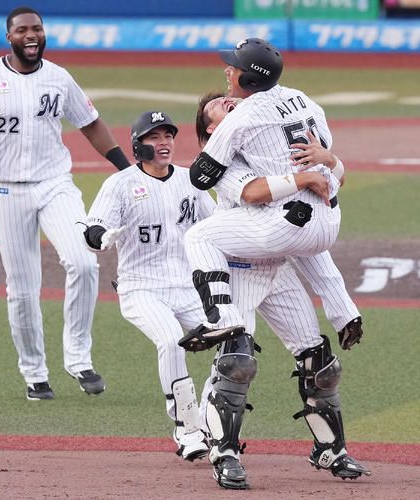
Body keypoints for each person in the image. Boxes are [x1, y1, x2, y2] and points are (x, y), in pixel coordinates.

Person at [177, 41, 370, 488]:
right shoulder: (230, 164)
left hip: (277, 263)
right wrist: (305, 177)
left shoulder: (270, 140)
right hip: (241, 265)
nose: (227, 100)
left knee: (321, 363)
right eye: (217, 110)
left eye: (229, 96)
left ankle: (331, 449)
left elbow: (315, 229)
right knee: (237, 362)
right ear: (211, 132)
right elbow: (253, 192)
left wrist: (327, 162)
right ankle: (223, 452)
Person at [0, 6, 131, 401]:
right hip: (4, 191)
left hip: (55, 183)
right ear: (9, 37)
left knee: (83, 261)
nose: (31, 35)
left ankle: (78, 359)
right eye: (23, 30)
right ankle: (35, 374)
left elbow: (91, 123)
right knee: (23, 289)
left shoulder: (58, 78)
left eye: (37, 29)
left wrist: (126, 170)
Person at [83, 110, 214, 461]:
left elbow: (216, 224)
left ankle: (209, 418)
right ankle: (186, 428)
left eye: (168, 136)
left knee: (235, 343)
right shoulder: (120, 184)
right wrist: (101, 236)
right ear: (138, 146)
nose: (164, 143)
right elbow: (92, 227)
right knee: (171, 340)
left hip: (188, 287)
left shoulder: (190, 181)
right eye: (154, 137)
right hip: (141, 288)